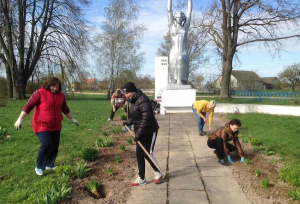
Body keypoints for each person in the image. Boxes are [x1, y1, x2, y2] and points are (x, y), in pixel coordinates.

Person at [14, 77, 78, 176]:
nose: (55, 88)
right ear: (48, 85)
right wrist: (20, 119)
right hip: (41, 124)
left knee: (54, 145)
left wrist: (72, 119)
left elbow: (65, 108)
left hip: (56, 125)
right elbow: (29, 106)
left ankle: (50, 164)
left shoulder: (60, 95)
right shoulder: (39, 93)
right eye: (53, 86)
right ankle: (39, 167)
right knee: (46, 144)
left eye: (57, 86)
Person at [122, 82, 163, 186]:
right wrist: (129, 122)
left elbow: (146, 118)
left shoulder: (143, 99)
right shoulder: (134, 100)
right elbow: (136, 115)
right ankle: (141, 178)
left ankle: (158, 172)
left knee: (147, 153)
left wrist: (138, 133)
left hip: (150, 130)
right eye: (125, 94)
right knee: (139, 154)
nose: (126, 96)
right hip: (141, 131)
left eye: (127, 93)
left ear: (133, 91)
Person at [168, 0, 192, 85]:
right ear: (175, 18)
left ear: (183, 18)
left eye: (181, 17)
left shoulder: (185, 27)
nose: (179, 19)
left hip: (183, 51)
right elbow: (169, 11)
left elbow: (189, 11)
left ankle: (180, 81)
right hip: (174, 52)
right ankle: (175, 81)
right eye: (177, 17)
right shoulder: (172, 27)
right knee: (172, 77)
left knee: (180, 58)